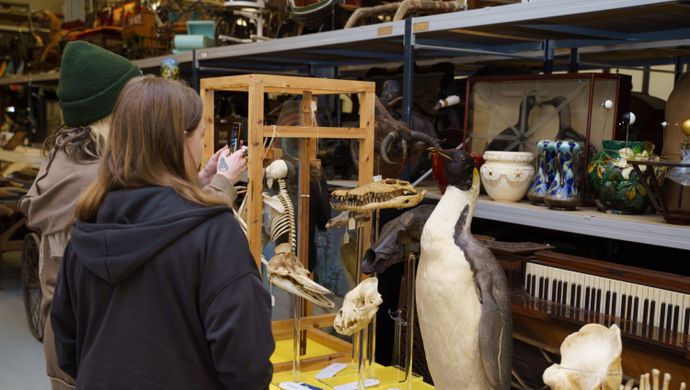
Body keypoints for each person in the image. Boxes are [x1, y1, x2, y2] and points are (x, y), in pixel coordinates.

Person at [19, 42, 246, 390]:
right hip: (103, 360)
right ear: (115, 112)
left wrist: (194, 183)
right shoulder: (98, 182)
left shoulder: (67, 162)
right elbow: (163, 234)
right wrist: (220, 187)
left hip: (76, 354)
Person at [50, 76, 274, 389]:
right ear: (181, 141)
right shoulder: (213, 233)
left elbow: (68, 348)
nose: (200, 147)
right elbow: (246, 364)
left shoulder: (86, 227)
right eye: (200, 136)